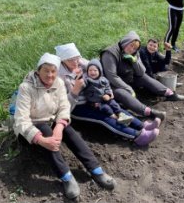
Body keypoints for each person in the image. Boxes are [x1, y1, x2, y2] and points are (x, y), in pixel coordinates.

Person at [13, 53, 116, 200]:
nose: (50, 75)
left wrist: (60, 126)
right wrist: (42, 140)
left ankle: (95, 169)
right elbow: (21, 120)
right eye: (46, 71)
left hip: (51, 121)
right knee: (46, 131)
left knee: (68, 130)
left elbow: (64, 106)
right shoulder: (26, 88)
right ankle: (66, 176)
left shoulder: (58, 83)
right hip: (31, 131)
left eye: (53, 71)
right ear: (38, 71)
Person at [55, 43, 160, 146]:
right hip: (78, 105)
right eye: (70, 60)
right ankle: (137, 136)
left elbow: (99, 74)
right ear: (62, 60)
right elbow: (64, 105)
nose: (75, 62)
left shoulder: (82, 63)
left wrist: (107, 91)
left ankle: (141, 126)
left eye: (76, 58)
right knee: (106, 117)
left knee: (118, 109)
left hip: (97, 97)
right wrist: (75, 90)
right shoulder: (60, 77)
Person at [100, 31, 184, 120]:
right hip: (112, 86)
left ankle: (170, 94)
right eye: (131, 46)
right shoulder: (110, 53)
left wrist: (134, 61)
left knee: (143, 77)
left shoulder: (135, 52)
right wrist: (127, 88)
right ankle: (148, 112)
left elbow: (141, 72)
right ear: (126, 42)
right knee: (121, 92)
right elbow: (112, 77)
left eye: (135, 48)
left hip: (128, 78)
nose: (132, 50)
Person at [81, 58, 134, 125]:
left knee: (114, 104)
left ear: (100, 71)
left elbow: (108, 88)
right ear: (87, 71)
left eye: (95, 70)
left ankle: (121, 114)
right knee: (106, 108)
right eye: (90, 70)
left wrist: (108, 95)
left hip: (105, 99)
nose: (92, 72)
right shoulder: (87, 80)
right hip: (95, 102)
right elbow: (82, 85)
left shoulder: (103, 80)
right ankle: (116, 118)